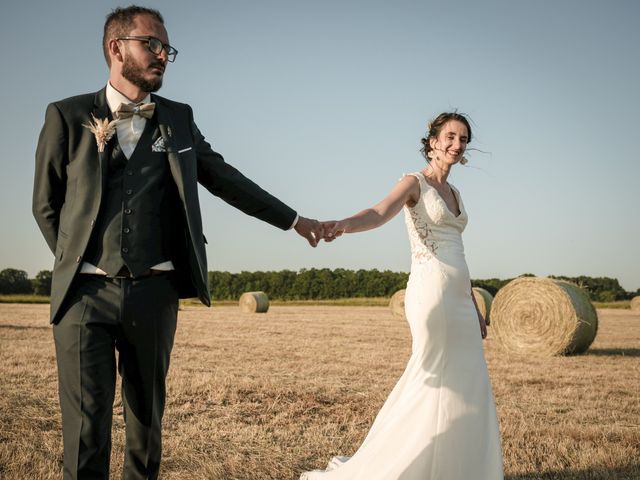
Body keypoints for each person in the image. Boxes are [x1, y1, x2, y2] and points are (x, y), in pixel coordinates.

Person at [32, 6, 322, 479]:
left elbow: (224, 178)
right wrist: (77, 263)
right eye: (152, 44)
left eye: (167, 48)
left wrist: (293, 219)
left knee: (146, 429)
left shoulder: (179, 119)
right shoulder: (66, 115)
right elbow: (46, 204)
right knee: (85, 431)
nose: (163, 55)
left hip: (156, 293)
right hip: (85, 296)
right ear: (116, 48)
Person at [301, 112, 503, 479]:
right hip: (431, 294)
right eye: (451, 137)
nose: (457, 145)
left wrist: (473, 303)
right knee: (433, 377)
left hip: (459, 297)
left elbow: (459, 251)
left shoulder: (455, 192)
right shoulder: (415, 183)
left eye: (463, 140)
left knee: (467, 379)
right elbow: (379, 213)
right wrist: (342, 225)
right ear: (432, 142)